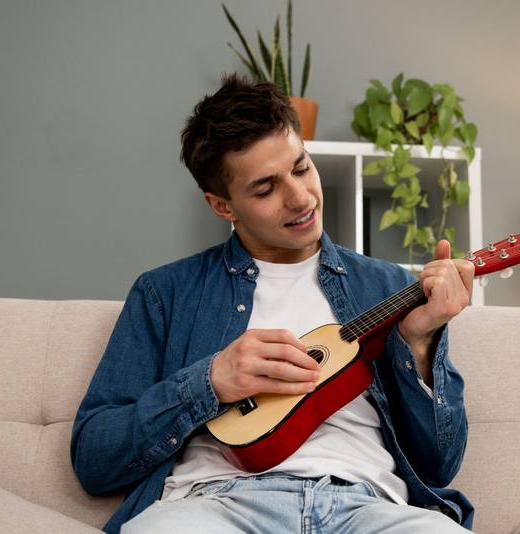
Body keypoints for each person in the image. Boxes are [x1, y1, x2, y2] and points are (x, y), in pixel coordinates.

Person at [71, 74, 475, 533]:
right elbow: (94, 460)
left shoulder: (389, 287)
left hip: (365, 505)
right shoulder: (165, 293)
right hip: (216, 505)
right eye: (265, 189)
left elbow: (440, 466)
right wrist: (210, 382)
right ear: (222, 206)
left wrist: (418, 345)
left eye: (301, 168)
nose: (300, 198)